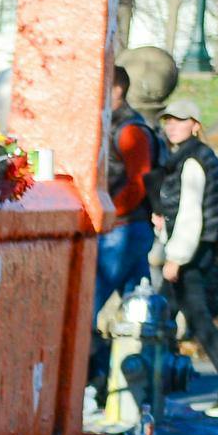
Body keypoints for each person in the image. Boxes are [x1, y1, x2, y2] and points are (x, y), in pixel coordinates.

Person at [150, 99, 218, 418]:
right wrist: (164, 224)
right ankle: (155, 388)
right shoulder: (192, 156)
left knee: (195, 320)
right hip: (197, 249)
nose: (172, 126)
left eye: (180, 120)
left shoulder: (192, 160)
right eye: (168, 120)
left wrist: (176, 257)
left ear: (195, 125)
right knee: (164, 315)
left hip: (192, 253)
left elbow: (191, 215)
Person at [90, 66, 162, 404]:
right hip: (129, 228)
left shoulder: (130, 129)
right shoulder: (118, 124)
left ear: (117, 89)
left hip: (124, 229)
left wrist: (111, 214)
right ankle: (132, 390)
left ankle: (99, 382)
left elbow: (138, 181)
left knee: (88, 306)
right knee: (139, 315)